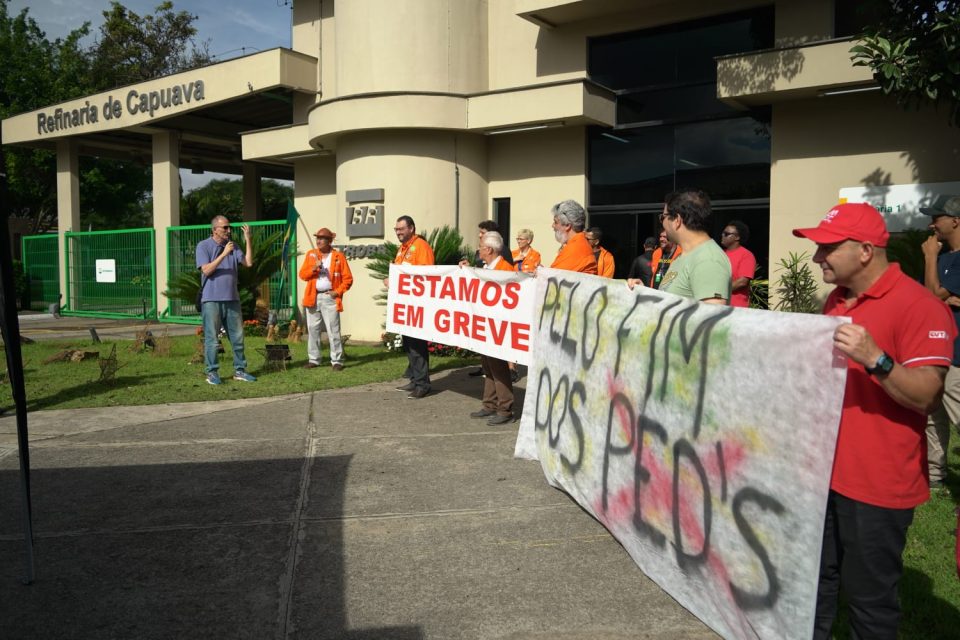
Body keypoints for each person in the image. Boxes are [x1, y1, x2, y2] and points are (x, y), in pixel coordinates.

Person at [792, 202, 954, 640]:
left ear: (865, 250)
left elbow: (926, 395)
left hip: (877, 483)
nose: (816, 258)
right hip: (822, 472)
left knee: (869, 603)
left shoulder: (920, 307)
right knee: (812, 587)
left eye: (827, 248)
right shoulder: (836, 300)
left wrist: (876, 359)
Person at [921, 195, 960, 489]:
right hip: (937, 350)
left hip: (958, 354)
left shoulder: (948, 257)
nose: (932, 223)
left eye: (937, 217)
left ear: (955, 221)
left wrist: (930, 257)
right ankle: (936, 475)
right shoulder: (946, 257)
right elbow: (929, 298)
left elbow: (934, 297)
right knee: (934, 417)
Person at [629, 190, 729, 303]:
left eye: (663, 217)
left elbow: (711, 317)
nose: (662, 223)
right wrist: (645, 292)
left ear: (677, 220)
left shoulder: (708, 260)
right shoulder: (684, 255)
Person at [196, 215, 256, 385]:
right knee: (212, 339)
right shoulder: (203, 246)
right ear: (214, 229)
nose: (229, 231)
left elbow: (249, 263)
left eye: (229, 228)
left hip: (232, 299)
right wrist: (224, 254)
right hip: (211, 300)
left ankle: (240, 370)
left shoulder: (234, 246)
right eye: (225, 228)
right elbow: (206, 270)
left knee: (237, 337)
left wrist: (248, 240)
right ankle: (212, 372)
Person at [468, 231, 516, 425]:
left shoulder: (505, 269)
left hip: (498, 325)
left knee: (498, 368)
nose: (478, 249)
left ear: (488, 249)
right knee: (488, 365)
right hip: (487, 323)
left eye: (480, 246)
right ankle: (490, 405)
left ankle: (505, 409)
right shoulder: (487, 267)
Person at [390, 215, 435, 399]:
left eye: (401, 229)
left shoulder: (421, 246)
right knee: (409, 344)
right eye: (396, 229)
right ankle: (415, 380)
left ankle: (423, 384)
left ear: (411, 228)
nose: (398, 232)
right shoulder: (403, 248)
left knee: (417, 345)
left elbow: (427, 274)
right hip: (405, 305)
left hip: (417, 305)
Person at [299, 227, 353, 371]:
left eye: (322, 238)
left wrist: (338, 291)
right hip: (313, 296)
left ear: (329, 241)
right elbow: (303, 275)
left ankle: (337, 361)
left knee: (333, 329)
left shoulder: (338, 256)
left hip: (330, 297)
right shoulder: (311, 255)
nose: (318, 241)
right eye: (317, 238)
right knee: (312, 329)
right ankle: (314, 359)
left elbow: (348, 279)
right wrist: (314, 268)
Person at [549, 200, 598, 274]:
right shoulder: (578, 244)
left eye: (556, 222)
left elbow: (551, 278)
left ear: (567, 225)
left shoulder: (576, 248)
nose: (553, 226)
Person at [720, 220, 757, 308]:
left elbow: (742, 282)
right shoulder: (720, 254)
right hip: (719, 306)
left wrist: (719, 291)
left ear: (737, 237)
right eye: (722, 233)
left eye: (726, 234)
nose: (722, 236)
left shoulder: (746, 255)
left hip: (736, 308)